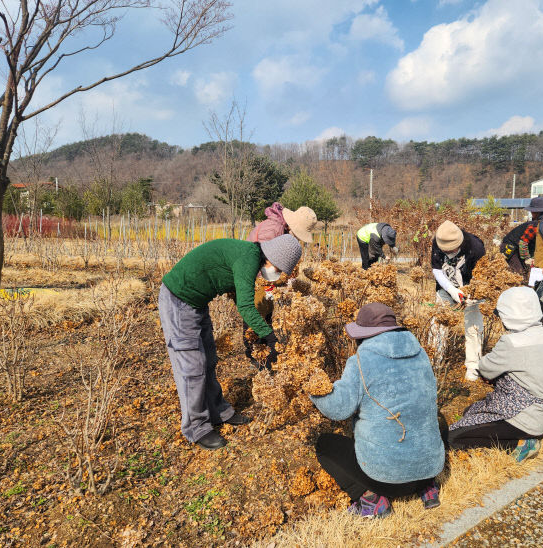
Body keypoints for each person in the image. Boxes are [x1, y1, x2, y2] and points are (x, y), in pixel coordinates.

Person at [158, 234, 302, 450]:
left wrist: (260, 325)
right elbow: (245, 307)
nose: (278, 274)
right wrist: (270, 336)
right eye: (279, 269)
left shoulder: (250, 257)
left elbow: (238, 295)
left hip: (196, 303)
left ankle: (218, 412)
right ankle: (196, 427)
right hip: (179, 300)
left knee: (208, 360)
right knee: (192, 367)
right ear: (271, 258)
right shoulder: (248, 259)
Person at [311, 303, 445, 518]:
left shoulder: (361, 362)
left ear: (363, 335)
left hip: (386, 480)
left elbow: (338, 409)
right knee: (436, 419)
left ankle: (371, 499)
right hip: (429, 469)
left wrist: (313, 387)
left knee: (325, 444)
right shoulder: (421, 354)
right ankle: (428, 489)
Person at [444, 287, 543, 462]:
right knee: (470, 412)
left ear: (509, 315)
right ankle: (526, 438)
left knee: (452, 436)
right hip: (539, 416)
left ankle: (520, 443)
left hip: (517, 418)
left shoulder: (512, 342)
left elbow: (485, 369)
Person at [243, 203, 317, 364]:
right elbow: (259, 256)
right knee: (256, 313)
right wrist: (272, 282)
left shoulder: (280, 227)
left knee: (266, 312)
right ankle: (254, 355)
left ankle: (263, 351)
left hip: (262, 276)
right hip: (254, 277)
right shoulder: (273, 229)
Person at [431, 220, 486, 381]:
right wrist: (451, 290)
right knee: (438, 322)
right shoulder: (438, 240)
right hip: (447, 286)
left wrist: (472, 295)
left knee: (473, 326)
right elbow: (436, 270)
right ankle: (435, 359)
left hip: (472, 289)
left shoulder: (476, 247)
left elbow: (482, 276)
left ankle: (473, 365)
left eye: (451, 249)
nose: (448, 251)